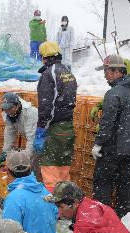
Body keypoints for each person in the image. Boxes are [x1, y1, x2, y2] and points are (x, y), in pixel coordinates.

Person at [91, 55, 130, 218]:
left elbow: (107, 123)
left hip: (114, 147)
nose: (105, 75)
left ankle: (101, 218)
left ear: (117, 71)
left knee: (102, 183)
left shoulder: (114, 93)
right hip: (129, 147)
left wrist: (98, 143)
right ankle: (123, 215)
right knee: (123, 182)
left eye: (106, 71)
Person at [35, 41, 77, 193]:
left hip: (54, 128)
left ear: (44, 56)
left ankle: (53, 209)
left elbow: (47, 105)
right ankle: (67, 205)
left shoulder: (49, 74)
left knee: (50, 170)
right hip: (68, 127)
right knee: (63, 170)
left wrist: (41, 129)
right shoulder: (67, 72)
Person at [0, 92, 38, 167]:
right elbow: (10, 133)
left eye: (10, 108)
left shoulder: (30, 113)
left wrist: (25, 159)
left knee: (38, 166)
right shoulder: (9, 115)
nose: (8, 111)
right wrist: (5, 151)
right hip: (34, 141)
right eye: (5, 108)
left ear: (17, 105)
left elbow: (32, 138)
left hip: (44, 141)